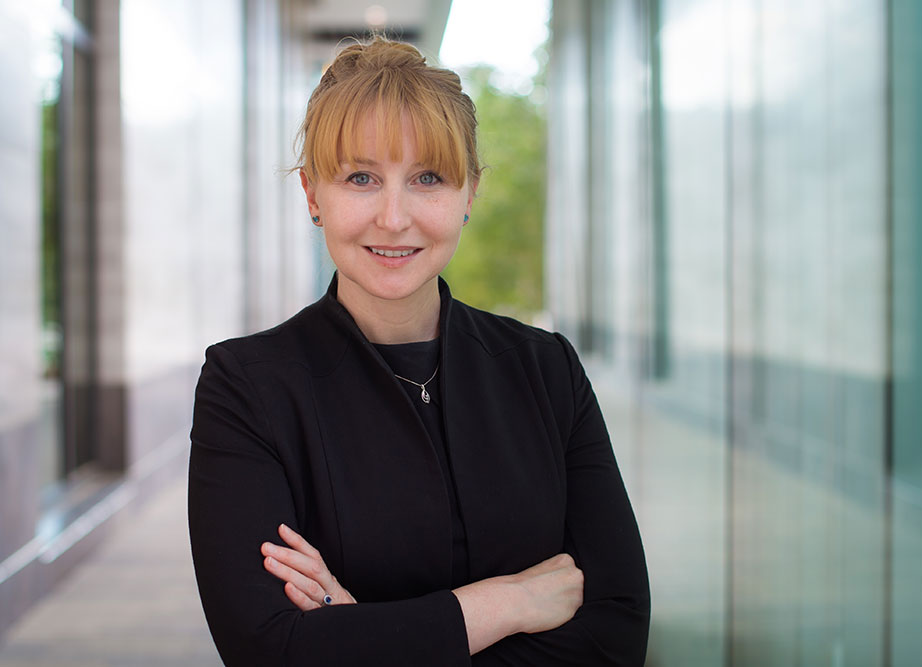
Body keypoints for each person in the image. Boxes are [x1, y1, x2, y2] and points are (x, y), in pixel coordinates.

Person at [188, 36, 649, 666]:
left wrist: (368, 638)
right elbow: (271, 648)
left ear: (469, 194)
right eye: (361, 178)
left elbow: (616, 632)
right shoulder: (246, 387)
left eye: (427, 178)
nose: (394, 216)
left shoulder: (547, 370)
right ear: (313, 195)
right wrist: (503, 604)